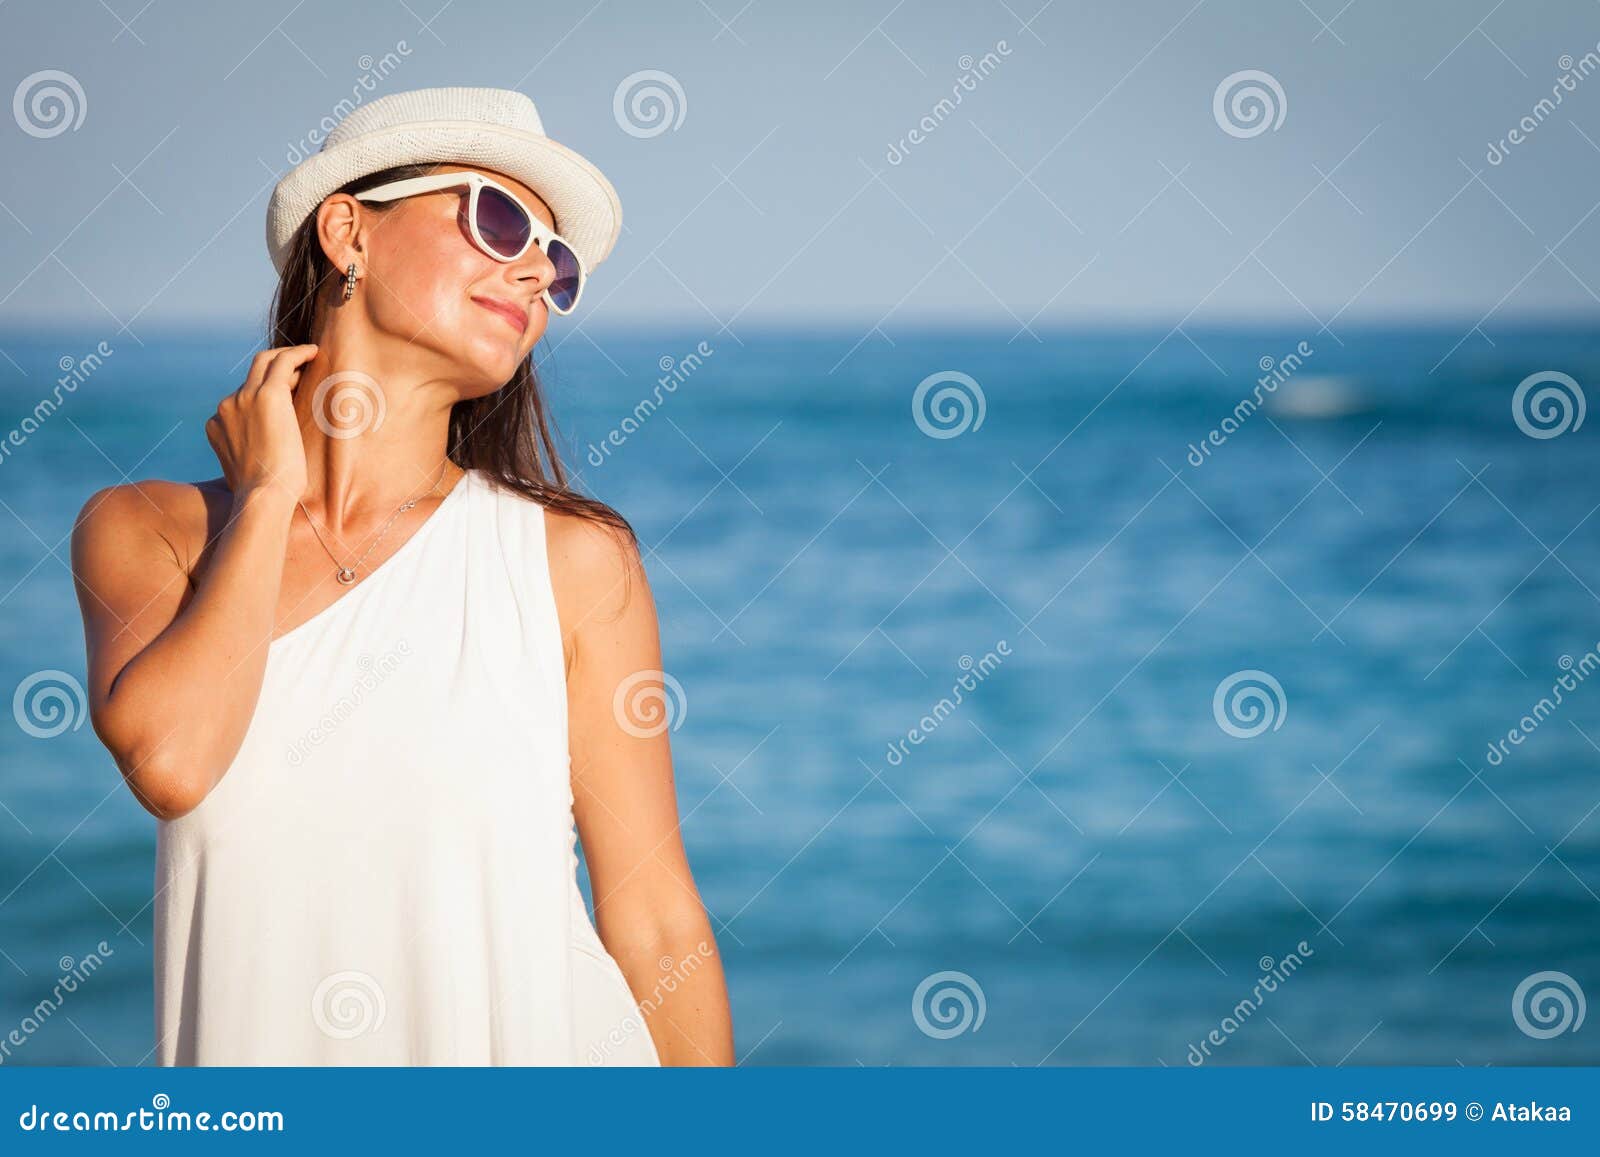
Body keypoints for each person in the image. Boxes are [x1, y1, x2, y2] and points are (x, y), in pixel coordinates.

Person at [69, 87, 734, 1066]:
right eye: (496, 218)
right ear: (348, 231)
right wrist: (266, 497)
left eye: (554, 261)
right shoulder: (148, 531)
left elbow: (655, 919)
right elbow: (172, 764)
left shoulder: (574, 559)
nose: (531, 271)